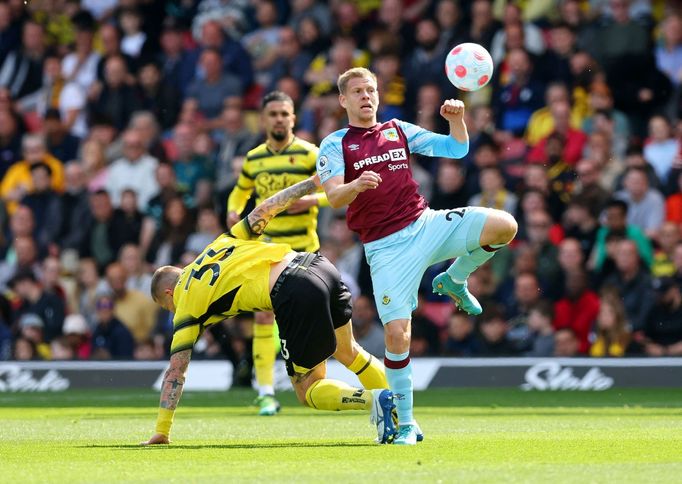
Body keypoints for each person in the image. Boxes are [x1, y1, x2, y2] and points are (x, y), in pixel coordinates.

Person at [316, 67, 517, 445]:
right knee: (397, 334)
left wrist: (458, 122)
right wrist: (356, 185)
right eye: (357, 91)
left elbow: (456, 148)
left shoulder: (397, 129)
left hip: (425, 224)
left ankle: (454, 279)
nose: (366, 96)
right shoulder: (335, 143)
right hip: (386, 248)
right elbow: (333, 196)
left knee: (504, 225)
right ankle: (406, 424)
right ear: (343, 100)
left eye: (371, 89)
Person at [142, 177, 395, 446]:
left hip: (294, 289)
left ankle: (374, 400)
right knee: (349, 352)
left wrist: (162, 429)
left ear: (169, 293)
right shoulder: (220, 243)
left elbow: (175, 372)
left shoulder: (186, 306)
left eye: (167, 307)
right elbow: (267, 208)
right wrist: (311, 183)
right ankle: (402, 416)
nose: (172, 312)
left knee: (307, 389)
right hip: (318, 264)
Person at [226, 91, 327, 416]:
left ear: (293, 118)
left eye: (285, 113)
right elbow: (240, 191)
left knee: (311, 319)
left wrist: (311, 201)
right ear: (264, 119)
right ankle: (266, 392)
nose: (280, 119)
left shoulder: (311, 154)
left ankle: (315, 381)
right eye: (273, 114)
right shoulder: (254, 159)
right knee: (263, 314)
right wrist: (234, 211)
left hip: (305, 251)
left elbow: (338, 191)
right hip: (268, 251)